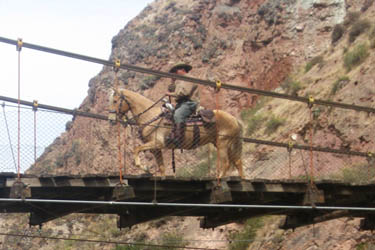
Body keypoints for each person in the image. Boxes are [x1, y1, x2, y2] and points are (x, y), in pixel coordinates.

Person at [166, 63, 199, 146]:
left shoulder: (189, 78)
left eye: (175, 71)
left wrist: (171, 94)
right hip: (182, 103)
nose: (174, 73)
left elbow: (184, 93)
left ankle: (178, 137)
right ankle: (172, 134)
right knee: (168, 113)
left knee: (178, 114)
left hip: (189, 103)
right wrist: (173, 81)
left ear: (182, 70)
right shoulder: (180, 81)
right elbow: (172, 89)